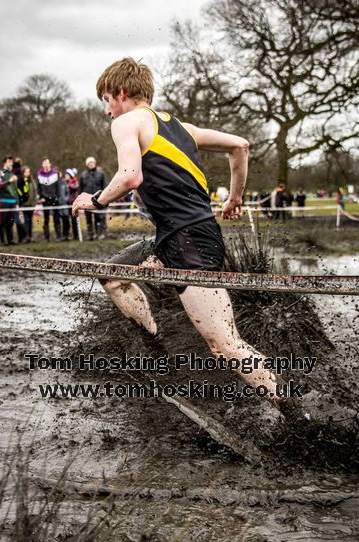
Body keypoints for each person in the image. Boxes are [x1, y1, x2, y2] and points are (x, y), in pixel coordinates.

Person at [71, 57, 282, 409]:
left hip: (189, 241)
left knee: (225, 345)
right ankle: (159, 356)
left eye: (106, 100)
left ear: (120, 93)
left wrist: (95, 200)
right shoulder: (182, 128)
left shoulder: (126, 123)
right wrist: (234, 198)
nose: (107, 111)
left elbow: (129, 176)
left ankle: (297, 413)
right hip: (177, 237)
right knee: (110, 276)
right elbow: (240, 145)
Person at [79, 157, 107, 240]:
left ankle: (99, 234)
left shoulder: (101, 174)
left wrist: (104, 198)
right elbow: (80, 189)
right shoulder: (83, 175)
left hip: (98, 200)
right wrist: (80, 199)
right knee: (88, 218)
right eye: (89, 163)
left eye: (92, 162)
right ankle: (90, 235)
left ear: (95, 163)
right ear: (87, 165)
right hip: (86, 200)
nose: (91, 164)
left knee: (98, 217)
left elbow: (104, 186)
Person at [0, 156, 19, 245]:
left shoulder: (12, 174)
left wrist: (17, 202)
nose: (11, 163)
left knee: (11, 222)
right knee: (2, 222)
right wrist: (9, 181)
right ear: (4, 163)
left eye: (11, 162)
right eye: (9, 161)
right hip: (4, 201)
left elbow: (15, 190)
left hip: (12, 202)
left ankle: (10, 240)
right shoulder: (0, 173)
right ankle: (3, 240)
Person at [37, 158, 61, 242]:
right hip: (45, 199)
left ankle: (59, 236)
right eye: (44, 163)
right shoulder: (40, 175)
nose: (46, 165)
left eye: (47, 163)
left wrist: (57, 196)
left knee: (56, 217)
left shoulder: (55, 174)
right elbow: (39, 188)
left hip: (54, 198)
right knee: (46, 219)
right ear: (42, 165)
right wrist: (41, 197)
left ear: (50, 164)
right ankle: (46, 238)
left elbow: (58, 186)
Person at [17, 166, 37, 241]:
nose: (27, 173)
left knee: (30, 220)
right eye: (26, 172)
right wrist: (22, 201)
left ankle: (30, 235)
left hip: (31, 204)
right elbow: (20, 192)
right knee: (26, 220)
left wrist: (34, 202)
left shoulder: (32, 180)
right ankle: (26, 236)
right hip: (24, 204)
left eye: (28, 172)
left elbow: (35, 191)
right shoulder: (21, 181)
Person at [64, 168, 79, 240]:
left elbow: (75, 187)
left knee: (74, 221)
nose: (65, 176)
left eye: (66, 175)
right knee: (66, 220)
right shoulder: (65, 183)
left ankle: (76, 235)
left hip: (73, 204)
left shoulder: (74, 182)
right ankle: (66, 235)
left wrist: (68, 184)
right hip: (66, 204)